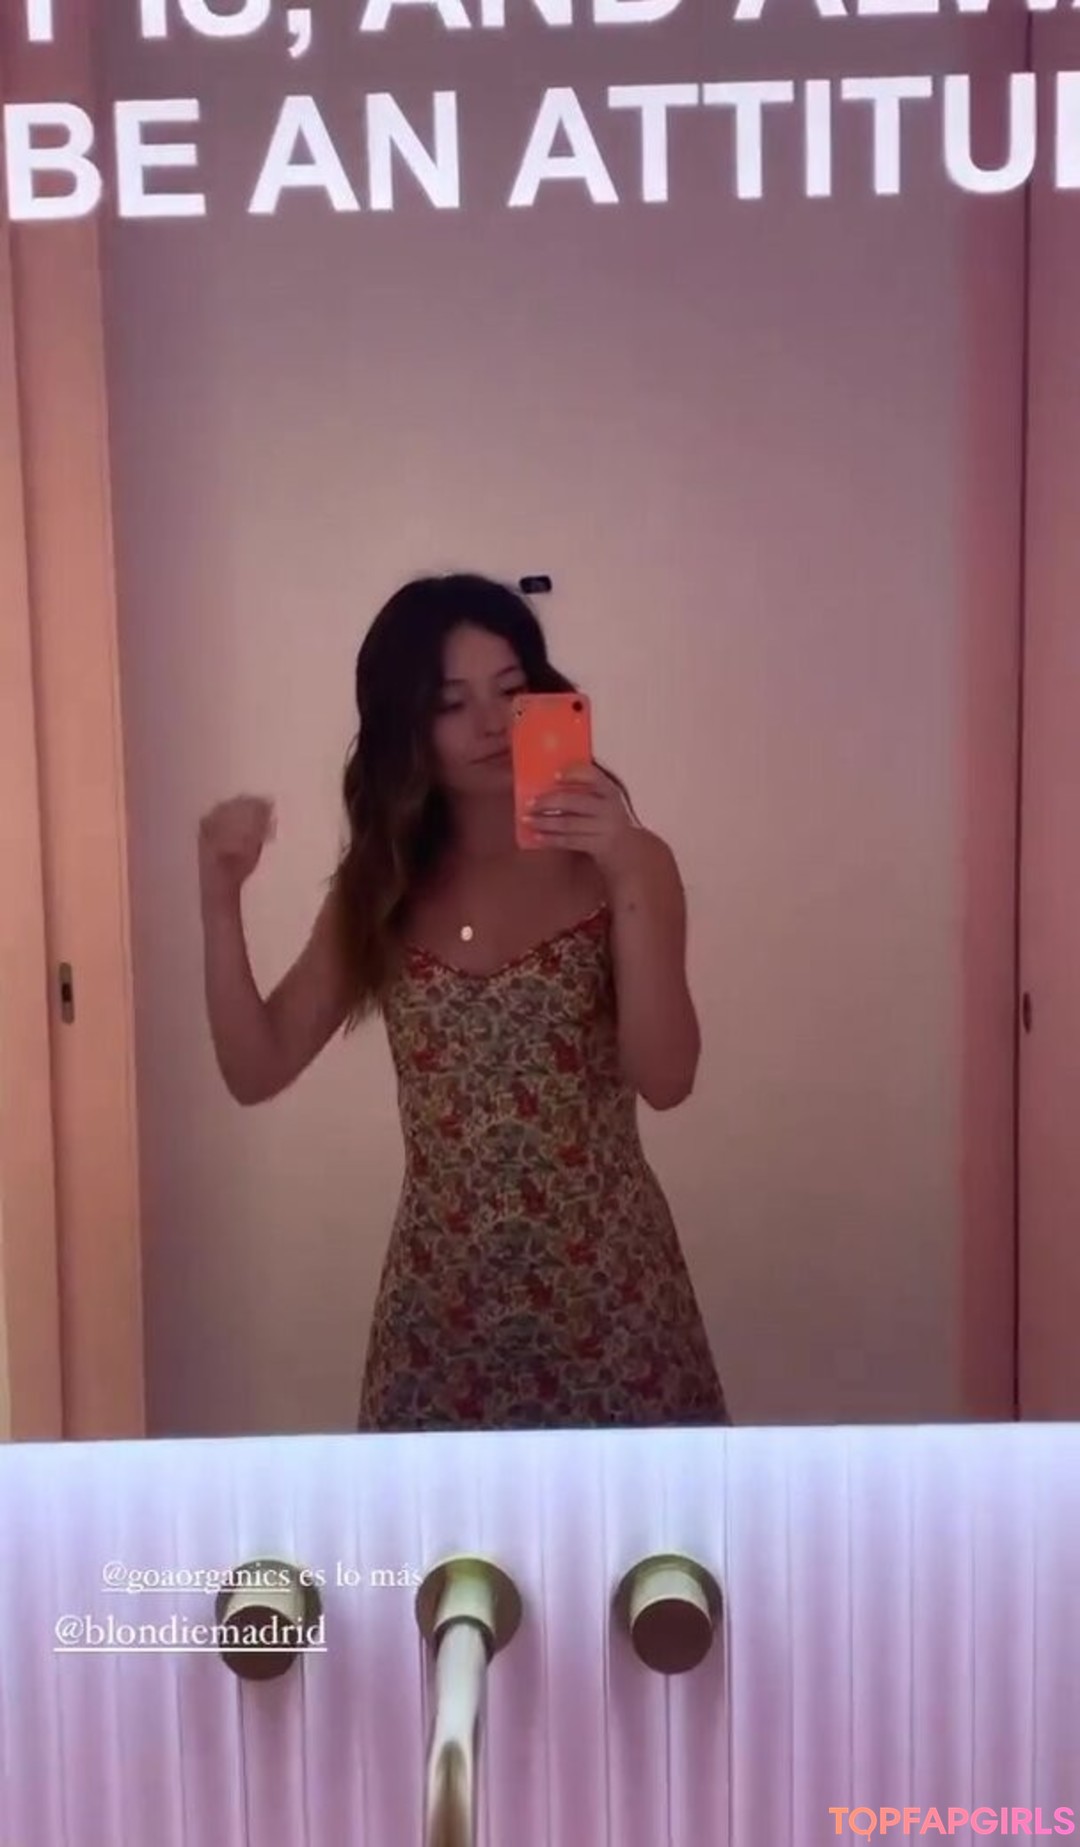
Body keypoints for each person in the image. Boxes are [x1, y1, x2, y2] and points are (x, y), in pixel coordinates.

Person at [198, 573, 728, 1430]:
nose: (490, 723)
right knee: (433, 1522)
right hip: (439, 1313)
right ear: (406, 726)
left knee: (635, 1521)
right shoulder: (381, 885)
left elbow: (667, 1078)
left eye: (511, 691)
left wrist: (628, 867)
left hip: (611, 1298)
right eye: (451, 702)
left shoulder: (624, 864)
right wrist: (220, 896)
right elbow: (255, 1068)